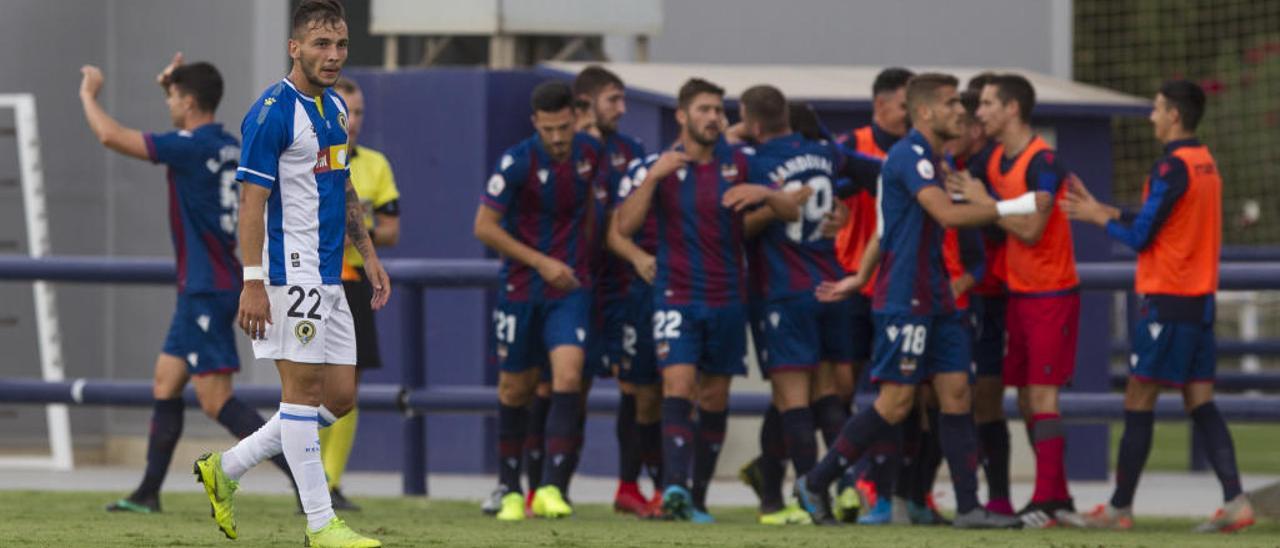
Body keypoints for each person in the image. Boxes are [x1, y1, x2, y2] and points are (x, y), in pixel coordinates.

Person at [797, 72, 1040, 530]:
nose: (961, 112)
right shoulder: (911, 156)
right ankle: (815, 480)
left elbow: (887, 227)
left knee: (956, 395)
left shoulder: (930, 158)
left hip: (937, 295)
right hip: (905, 296)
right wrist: (1015, 205)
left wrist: (859, 276)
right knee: (895, 403)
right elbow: (947, 214)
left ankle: (968, 507)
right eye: (952, 104)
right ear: (926, 112)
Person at [191, 1, 388, 546]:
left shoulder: (335, 110)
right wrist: (253, 281)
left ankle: (225, 469)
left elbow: (341, 183)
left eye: (341, 44)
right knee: (300, 396)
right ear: (294, 47)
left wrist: (367, 252)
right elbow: (252, 203)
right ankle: (322, 524)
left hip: (330, 271)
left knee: (340, 395)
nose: (333, 56)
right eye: (321, 44)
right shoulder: (271, 112)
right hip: (287, 267)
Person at [79, 53, 298, 515]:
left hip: (205, 286)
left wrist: (88, 95)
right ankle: (147, 492)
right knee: (166, 380)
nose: (169, 105)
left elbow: (109, 135)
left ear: (191, 102)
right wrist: (169, 82)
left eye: (173, 97)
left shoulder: (188, 146)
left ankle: (307, 480)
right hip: (209, 281)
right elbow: (186, 121)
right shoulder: (227, 145)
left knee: (217, 400)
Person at [1063, 80, 1255, 534]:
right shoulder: (1205, 163)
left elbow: (1142, 236)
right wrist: (1107, 209)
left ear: (1173, 116)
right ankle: (1236, 500)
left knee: (1138, 399)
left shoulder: (1171, 168)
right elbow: (1162, 220)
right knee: (1200, 402)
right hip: (1198, 302)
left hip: (1168, 301)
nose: (1151, 116)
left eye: (1156, 109)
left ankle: (1119, 508)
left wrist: (1099, 219)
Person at [615, 78, 799, 522]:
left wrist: (768, 195)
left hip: (728, 297)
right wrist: (652, 180)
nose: (714, 117)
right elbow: (622, 227)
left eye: (718, 109)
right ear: (681, 116)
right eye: (704, 109)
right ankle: (673, 487)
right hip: (676, 295)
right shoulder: (656, 167)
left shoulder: (740, 162)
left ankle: (695, 498)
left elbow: (792, 211)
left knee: (715, 397)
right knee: (677, 386)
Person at [473, 80, 605, 521]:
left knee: (568, 376)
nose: (556, 138)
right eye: (548, 129)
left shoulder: (591, 154)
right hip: (521, 288)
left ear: (575, 119)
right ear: (536, 124)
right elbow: (485, 227)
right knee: (516, 387)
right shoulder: (515, 162)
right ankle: (510, 488)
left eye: (563, 127)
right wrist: (541, 261)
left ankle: (550, 487)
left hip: (570, 288)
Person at [971, 73, 1083, 528]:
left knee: (1042, 396)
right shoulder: (994, 159)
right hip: (1020, 293)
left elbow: (1034, 230)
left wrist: (988, 204)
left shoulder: (1044, 162)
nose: (979, 113)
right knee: (1024, 399)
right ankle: (1057, 498)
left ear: (1012, 108)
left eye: (986, 104)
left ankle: (1045, 501)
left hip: (1051, 293)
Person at [568, 65, 665, 517]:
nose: (622, 110)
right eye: (614, 100)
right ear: (585, 104)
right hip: (576, 287)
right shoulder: (563, 147)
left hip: (624, 287)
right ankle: (544, 488)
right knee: (569, 385)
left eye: (624, 100)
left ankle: (630, 486)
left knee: (637, 386)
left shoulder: (633, 151)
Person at [831, 66, 914, 522]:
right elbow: (828, 188)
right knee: (841, 386)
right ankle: (843, 479)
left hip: (897, 286)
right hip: (851, 280)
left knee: (895, 393)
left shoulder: (916, 152)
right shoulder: (849, 145)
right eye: (904, 106)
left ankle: (887, 491)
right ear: (881, 105)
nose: (909, 114)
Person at [319, 76, 402, 512]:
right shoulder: (309, 157)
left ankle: (329, 481)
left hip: (353, 281)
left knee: (348, 385)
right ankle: (310, 477)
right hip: (313, 279)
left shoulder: (375, 166)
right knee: (310, 382)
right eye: (347, 112)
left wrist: (357, 229)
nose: (353, 123)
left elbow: (391, 229)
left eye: (360, 113)